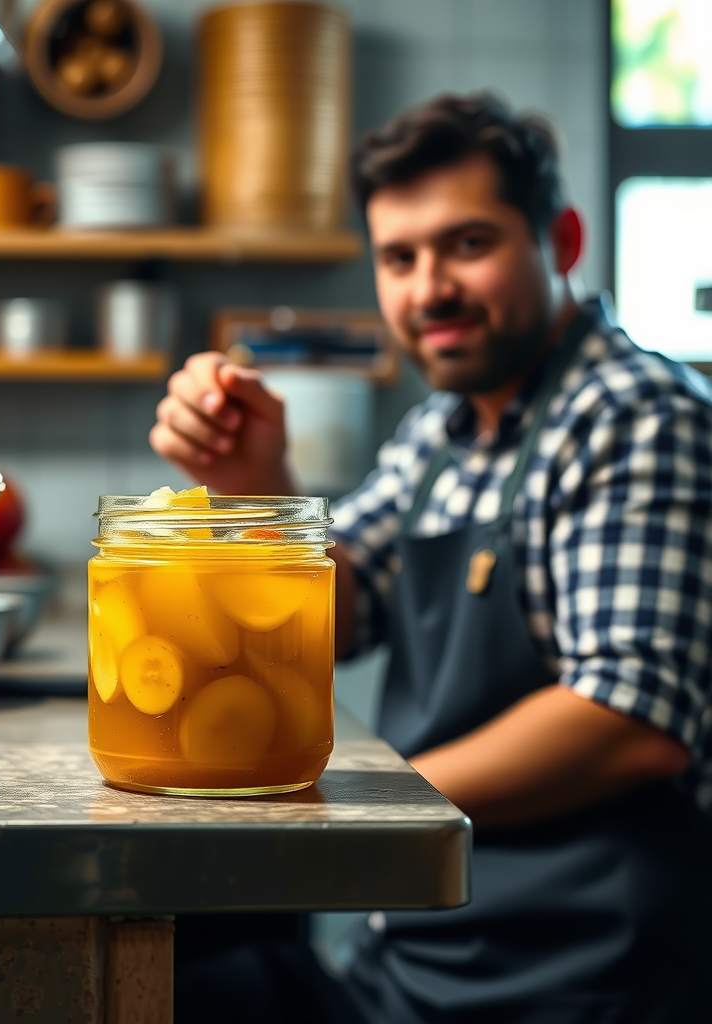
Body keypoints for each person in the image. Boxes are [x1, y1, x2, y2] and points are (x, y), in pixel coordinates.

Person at [150, 93, 712, 1023]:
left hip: (581, 982)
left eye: (468, 244)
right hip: (415, 964)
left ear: (561, 240)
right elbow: (332, 614)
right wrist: (257, 481)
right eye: (398, 257)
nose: (428, 288)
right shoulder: (438, 436)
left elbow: (631, 718)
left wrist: (359, 812)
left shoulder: (637, 417)